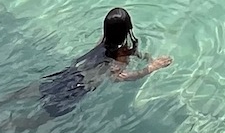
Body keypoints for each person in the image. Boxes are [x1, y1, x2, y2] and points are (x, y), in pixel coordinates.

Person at [37, 8, 170, 117]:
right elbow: (118, 77)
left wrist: (145, 57)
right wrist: (152, 67)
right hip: (80, 87)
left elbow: (129, 52)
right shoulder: (120, 55)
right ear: (129, 27)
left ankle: (15, 96)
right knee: (43, 117)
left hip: (71, 73)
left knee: (38, 89)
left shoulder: (103, 41)